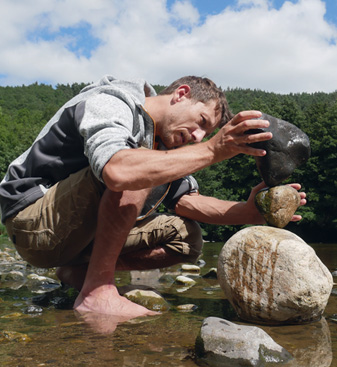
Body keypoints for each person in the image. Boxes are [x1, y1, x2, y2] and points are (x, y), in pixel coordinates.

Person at [0, 75, 306, 322]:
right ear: (180, 94)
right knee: (138, 167)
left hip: (73, 240)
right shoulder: (112, 101)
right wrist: (213, 150)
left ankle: (77, 273)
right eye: (201, 121)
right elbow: (118, 171)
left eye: (206, 132)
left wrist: (248, 212)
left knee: (187, 237)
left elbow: (190, 203)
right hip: (32, 222)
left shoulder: (164, 146)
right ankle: (97, 291)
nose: (199, 136)